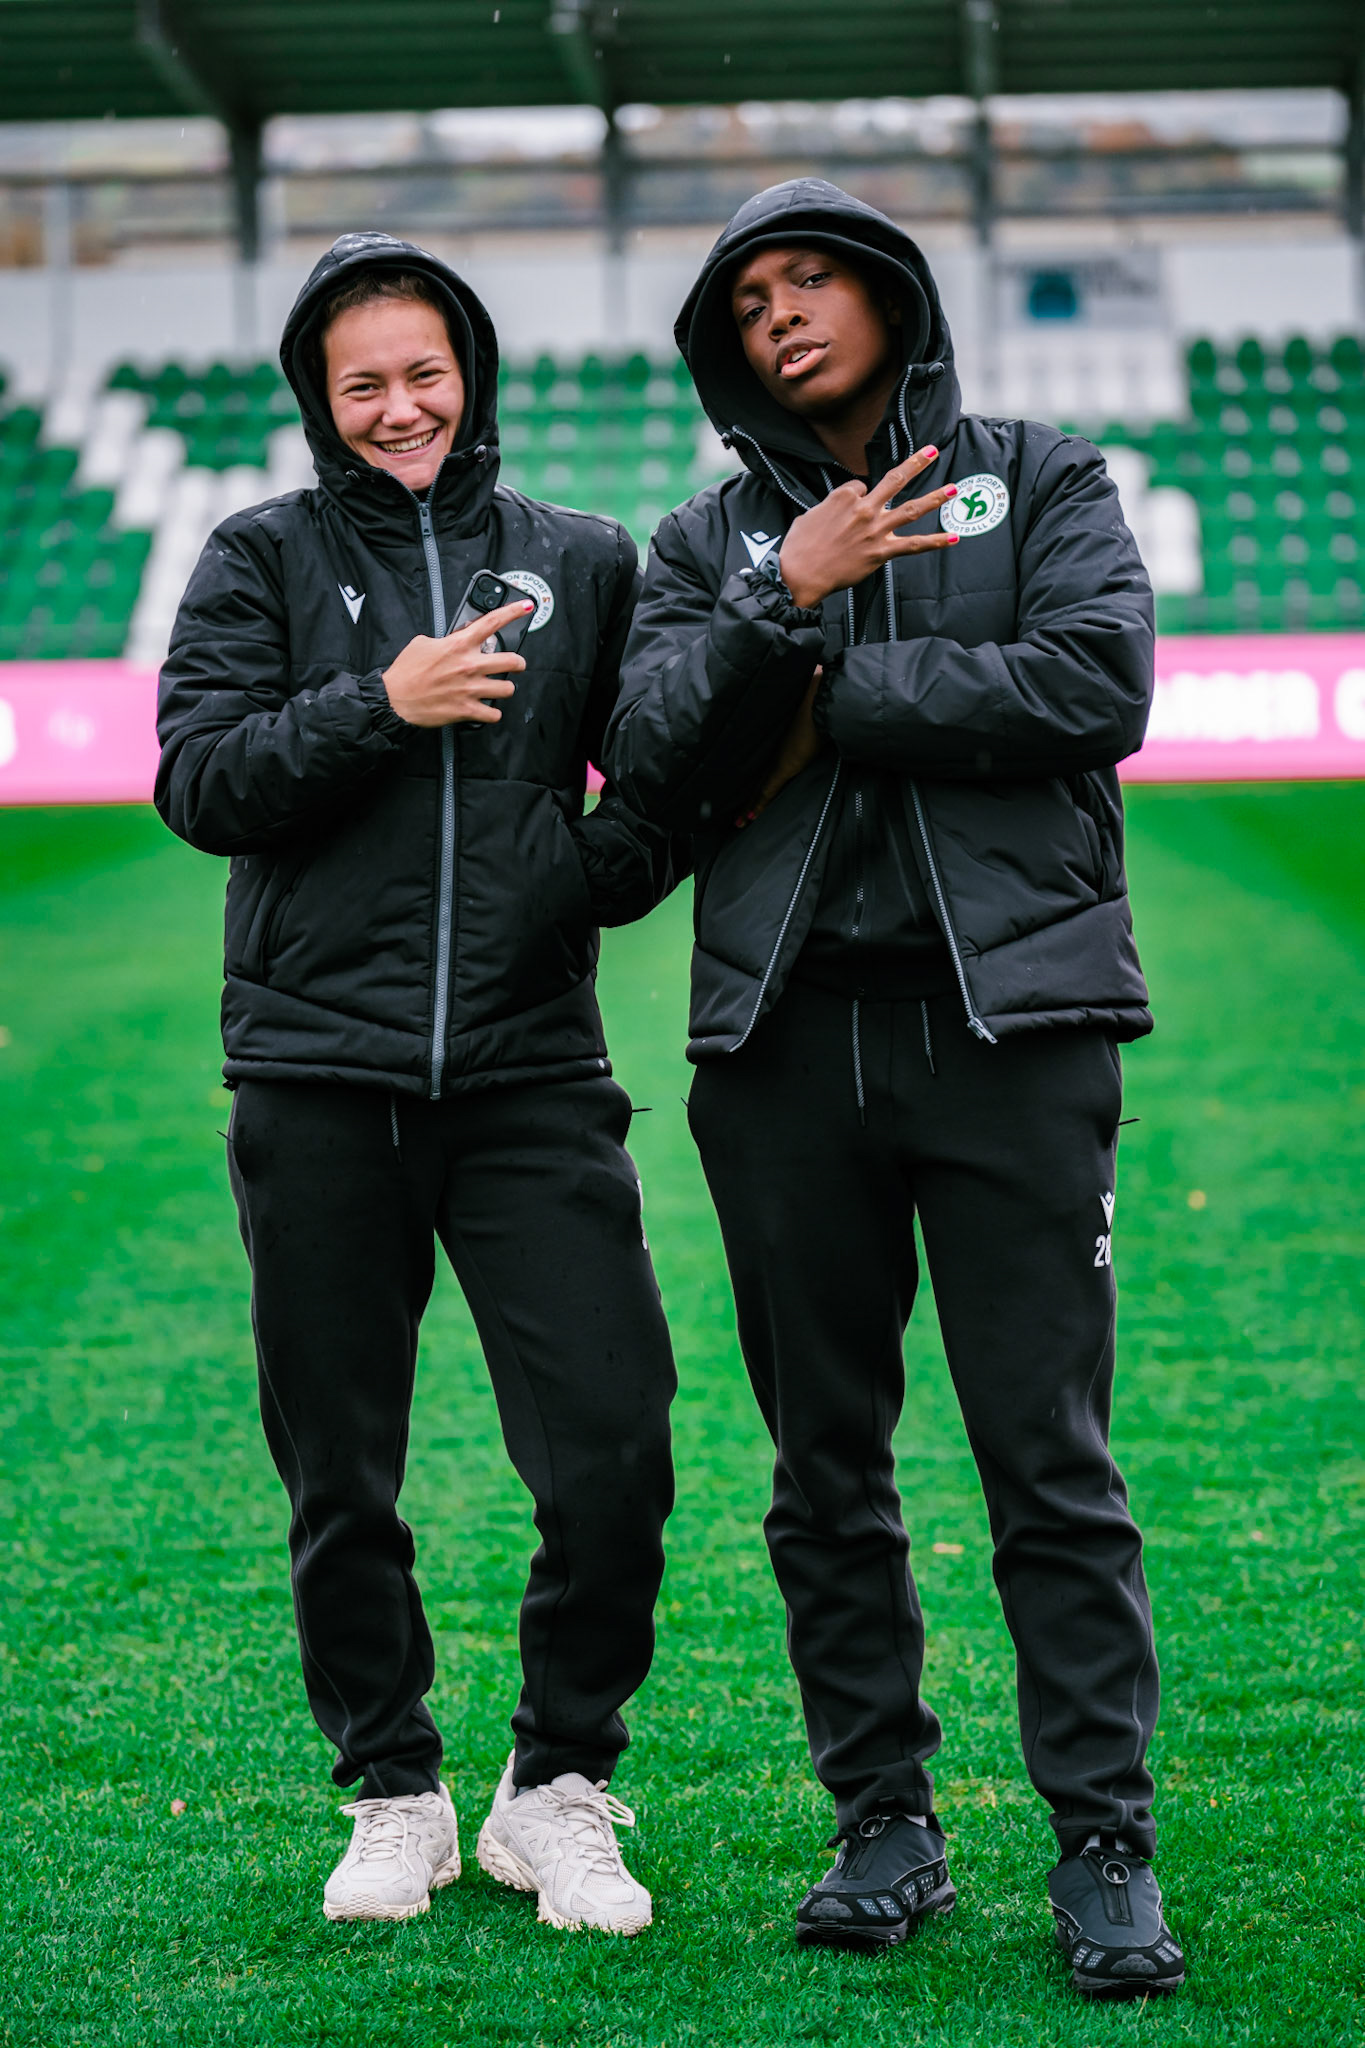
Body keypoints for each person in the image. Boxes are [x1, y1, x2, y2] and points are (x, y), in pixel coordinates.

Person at [606, 181, 1185, 1999]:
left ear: (887, 296)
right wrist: (781, 594)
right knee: (824, 1471)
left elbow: (1093, 683)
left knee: (1049, 1460)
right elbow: (650, 756)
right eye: (747, 300)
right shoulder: (705, 541)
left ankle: (1102, 1844)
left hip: (1014, 1036)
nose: (780, 315)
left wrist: (835, 687)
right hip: (781, 1050)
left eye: (809, 281)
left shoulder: (1043, 475)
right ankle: (882, 1822)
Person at [156, 232, 683, 1935]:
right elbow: (200, 782)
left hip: (533, 1075)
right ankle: (395, 1789)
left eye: (424, 373)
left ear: (474, 375)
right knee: (341, 1474)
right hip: (315, 1078)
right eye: (362, 382)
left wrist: (572, 877)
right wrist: (381, 704)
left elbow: (646, 790)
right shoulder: (258, 555)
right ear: (319, 399)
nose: (398, 406)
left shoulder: (580, 558)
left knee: (612, 1446)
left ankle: (554, 1788)